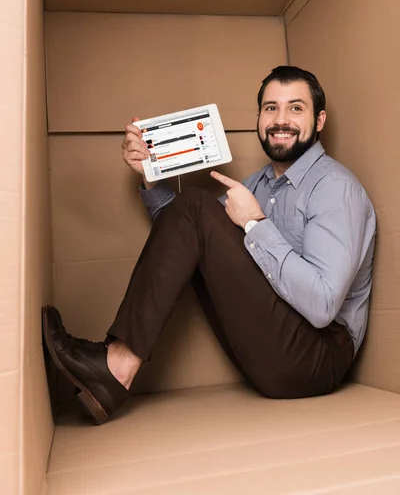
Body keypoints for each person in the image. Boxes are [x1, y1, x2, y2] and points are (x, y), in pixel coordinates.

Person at [42, 66, 376, 425]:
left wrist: (254, 223)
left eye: (296, 108)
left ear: (319, 119)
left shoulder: (335, 189)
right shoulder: (259, 184)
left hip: (316, 359)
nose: (282, 120)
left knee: (197, 204)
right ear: (259, 118)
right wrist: (149, 175)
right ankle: (114, 367)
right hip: (268, 349)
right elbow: (187, 237)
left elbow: (324, 305)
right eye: (270, 108)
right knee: (194, 209)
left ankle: (116, 367)